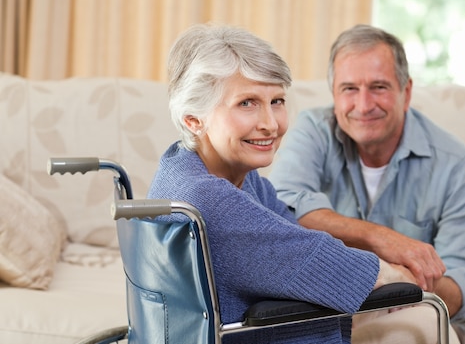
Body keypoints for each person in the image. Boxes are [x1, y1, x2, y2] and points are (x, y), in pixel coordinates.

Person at [146, 23, 416, 344]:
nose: (270, 124)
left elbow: (299, 240)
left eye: (276, 101)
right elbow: (329, 265)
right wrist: (398, 274)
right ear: (193, 119)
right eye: (246, 103)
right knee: (421, 313)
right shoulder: (208, 198)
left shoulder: (193, 169)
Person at [269, 24, 465, 341]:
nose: (363, 105)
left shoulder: (455, 163)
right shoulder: (311, 130)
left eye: (379, 87)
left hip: (409, 312)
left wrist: (402, 282)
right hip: (325, 308)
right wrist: (381, 240)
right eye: (349, 89)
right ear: (333, 94)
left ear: (407, 92)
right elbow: (278, 211)